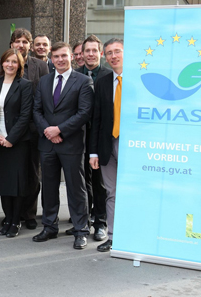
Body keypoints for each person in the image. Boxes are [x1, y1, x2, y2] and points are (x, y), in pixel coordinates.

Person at [32, 42, 94, 250]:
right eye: (56, 56)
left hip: (72, 144)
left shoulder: (84, 81)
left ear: (71, 57)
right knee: (48, 188)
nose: (60, 60)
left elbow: (84, 113)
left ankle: (80, 230)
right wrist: (48, 131)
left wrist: (59, 130)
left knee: (76, 188)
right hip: (48, 144)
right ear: (52, 57)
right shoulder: (44, 81)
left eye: (64, 56)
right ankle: (49, 226)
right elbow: (37, 111)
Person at [0, 28, 49, 230]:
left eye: (25, 41)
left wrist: (15, 136)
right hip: (3, 133)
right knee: (9, 179)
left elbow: (43, 97)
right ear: (11, 44)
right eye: (18, 41)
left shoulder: (39, 66)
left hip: (28, 131)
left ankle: (28, 214)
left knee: (30, 176)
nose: (21, 45)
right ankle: (11, 216)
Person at [66, 34, 112, 241]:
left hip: (101, 137)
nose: (91, 54)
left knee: (99, 181)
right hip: (78, 137)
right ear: (81, 54)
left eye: (95, 50)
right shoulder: (73, 75)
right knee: (81, 182)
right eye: (87, 51)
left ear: (101, 54)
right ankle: (82, 221)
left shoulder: (109, 76)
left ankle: (100, 222)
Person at [0, 48, 33, 238]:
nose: (10, 65)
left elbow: (25, 116)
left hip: (17, 143)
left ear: (19, 65)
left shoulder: (24, 85)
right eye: (7, 61)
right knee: (4, 184)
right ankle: (7, 219)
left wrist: (11, 139)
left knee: (16, 184)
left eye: (14, 62)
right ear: (2, 63)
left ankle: (15, 221)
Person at [89, 38, 124, 252]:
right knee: (111, 191)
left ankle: (133, 234)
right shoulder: (102, 81)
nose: (113, 56)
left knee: (130, 191)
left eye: (117, 51)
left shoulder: (140, 80)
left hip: (131, 146)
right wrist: (93, 151)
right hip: (106, 146)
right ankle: (112, 237)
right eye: (109, 52)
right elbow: (97, 120)